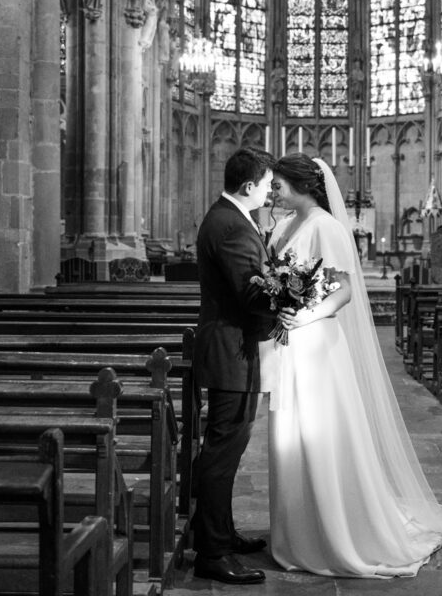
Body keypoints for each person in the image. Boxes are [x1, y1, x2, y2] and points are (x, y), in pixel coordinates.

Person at [260, 153, 442, 577]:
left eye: (278, 185)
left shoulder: (326, 226)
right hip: (289, 342)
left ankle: (335, 533)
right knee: (291, 438)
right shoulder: (287, 225)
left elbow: (343, 290)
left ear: (302, 185)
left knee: (320, 438)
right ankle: (297, 530)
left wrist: (305, 315)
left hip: (316, 343)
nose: (273, 191)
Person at [192, 146, 277, 585]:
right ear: (249, 186)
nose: (270, 191)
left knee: (225, 450)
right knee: (222, 454)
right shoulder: (231, 227)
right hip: (232, 351)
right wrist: (286, 305)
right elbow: (254, 296)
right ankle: (212, 551)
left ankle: (218, 531)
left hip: (230, 348)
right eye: (266, 184)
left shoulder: (228, 218)